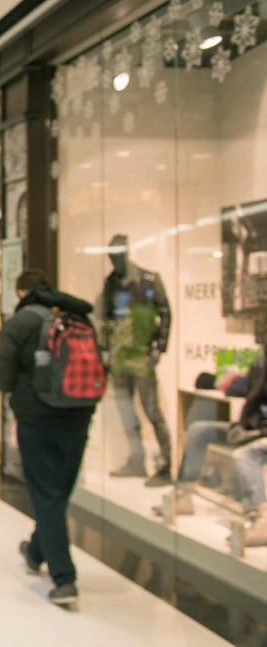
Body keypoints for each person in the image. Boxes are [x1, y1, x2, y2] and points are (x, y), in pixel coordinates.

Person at [0, 268, 97, 608]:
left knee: (47, 493)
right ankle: (36, 551)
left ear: (22, 293)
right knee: (59, 491)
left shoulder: (20, 323)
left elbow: (1, 376)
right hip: (79, 415)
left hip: (36, 420)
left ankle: (64, 579)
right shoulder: (76, 316)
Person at [156, 354, 267, 546]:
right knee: (199, 430)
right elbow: (246, 394)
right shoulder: (260, 363)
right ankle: (184, 495)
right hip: (254, 428)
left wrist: (256, 432)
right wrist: (242, 426)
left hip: (260, 433)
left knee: (245, 455)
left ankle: (262, 518)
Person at [102, 234, 173, 484]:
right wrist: (106, 351)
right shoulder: (111, 283)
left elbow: (165, 313)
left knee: (152, 410)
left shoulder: (149, 280)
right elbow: (107, 319)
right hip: (120, 356)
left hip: (141, 354)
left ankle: (165, 465)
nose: (115, 260)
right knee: (126, 411)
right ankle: (136, 459)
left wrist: (158, 348)